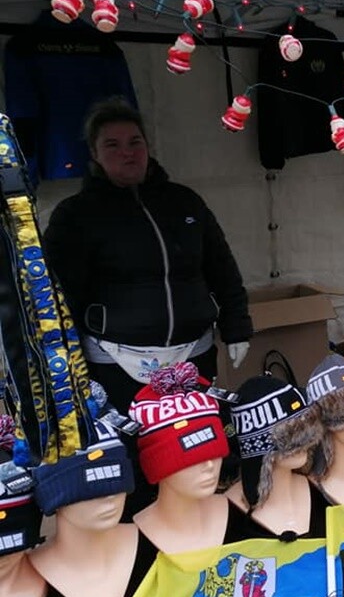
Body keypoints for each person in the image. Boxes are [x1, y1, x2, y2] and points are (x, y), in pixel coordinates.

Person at [43, 98, 252, 414]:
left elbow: (222, 269)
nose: (127, 152)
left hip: (193, 352)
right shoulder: (75, 215)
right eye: (112, 145)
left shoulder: (185, 202)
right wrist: (61, 356)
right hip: (115, 360)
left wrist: (237, 328)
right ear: (94, 154)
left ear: (147, 146)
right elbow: (60, 294)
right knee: (135, 442)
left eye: (134, 142)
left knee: (199, 437)